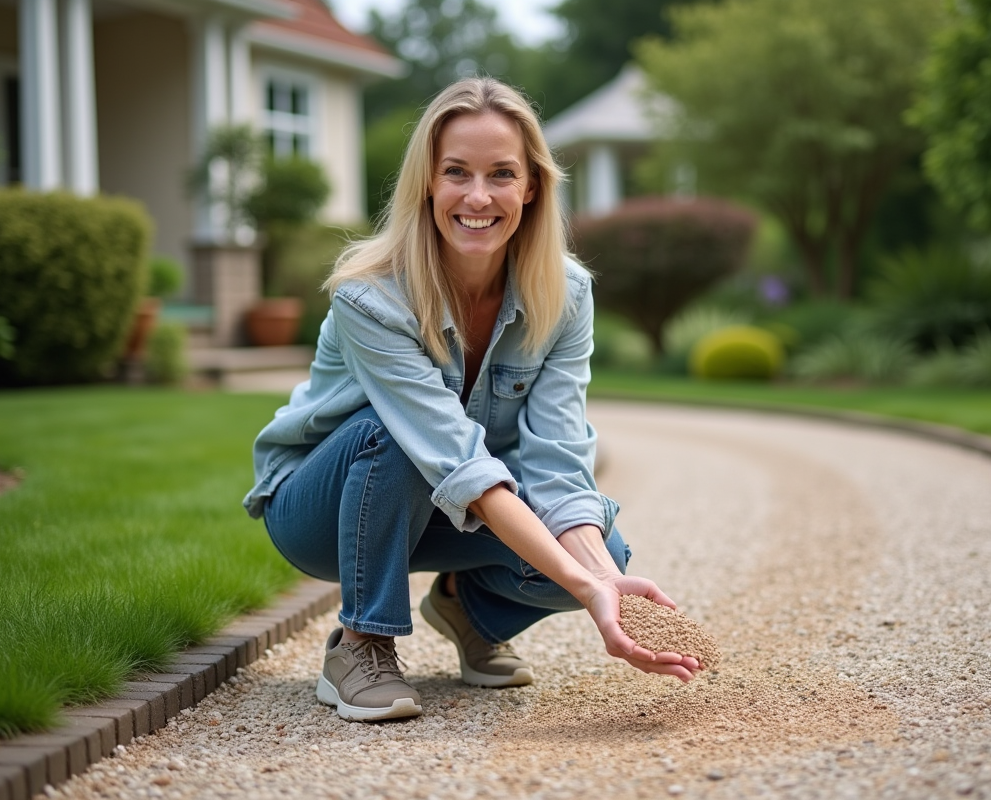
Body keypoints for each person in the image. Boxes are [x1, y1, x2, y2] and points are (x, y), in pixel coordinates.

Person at [242, 77, 699, 722]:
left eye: (501, 174)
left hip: (439, 513)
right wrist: (582, 582)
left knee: (607, 552)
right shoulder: (371, 296)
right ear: (427, 181)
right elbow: (453, 458)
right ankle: (361, 645)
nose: (478, 197)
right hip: (321, 511)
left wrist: (599, 576)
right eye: (456, 172)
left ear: (532, 186)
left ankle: (467, 606)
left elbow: (558, 457)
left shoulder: (565, 295)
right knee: (395, 435)